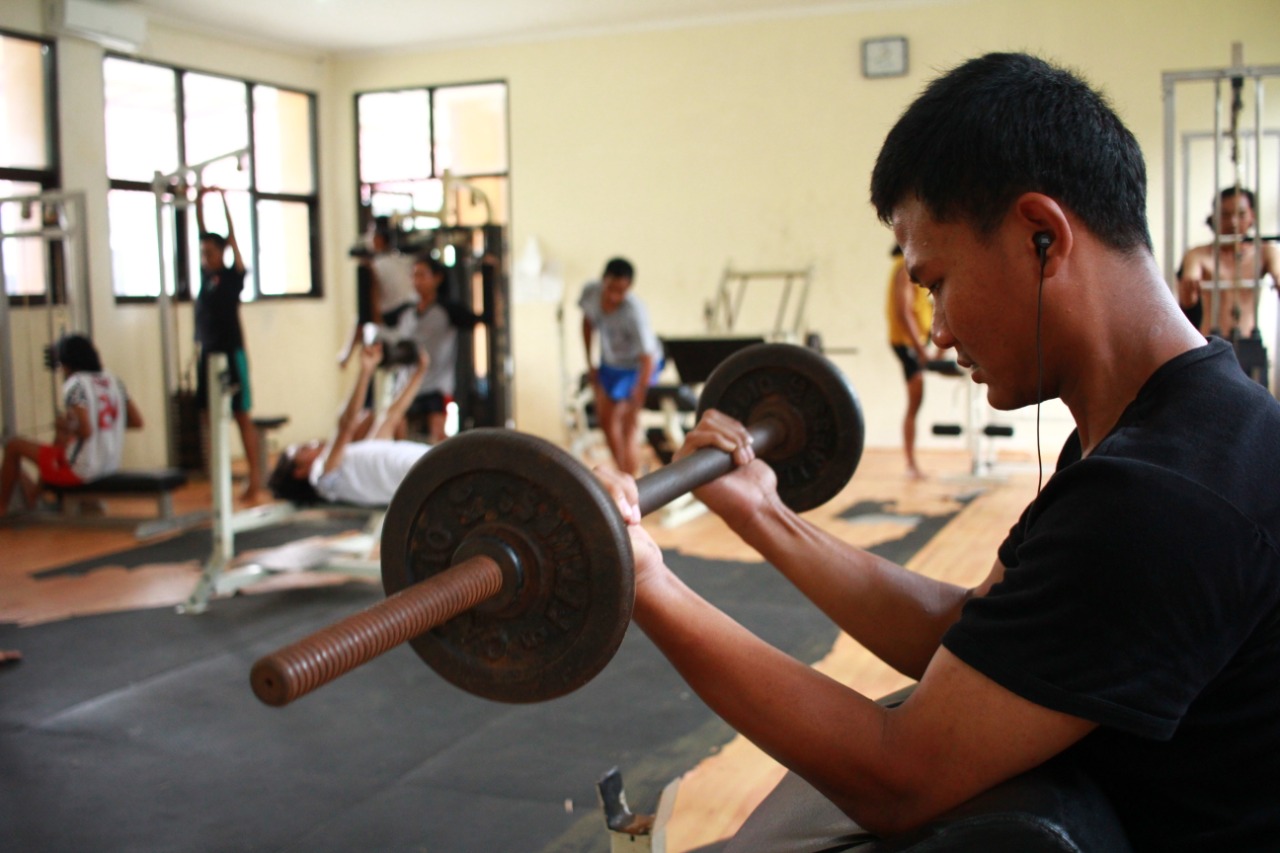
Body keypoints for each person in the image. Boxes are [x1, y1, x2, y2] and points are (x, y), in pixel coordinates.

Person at [595, 53, 1280, 851]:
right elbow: (963, 629)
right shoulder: (1183, 425)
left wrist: (644, 580)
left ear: (1041, 238)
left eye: (937, 282)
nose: (941, 330)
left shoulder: (1162, 495)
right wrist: (763, 513)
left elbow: (899, 775)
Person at [267, 340, 431, 507]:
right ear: (299, 472)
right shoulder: (322, 477)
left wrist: (420, 372)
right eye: (303, 449)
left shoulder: (359, 455)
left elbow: (391, 417)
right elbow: (346, 426)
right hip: (430, 477)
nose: (313, 443)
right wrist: (365, 372)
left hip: (434, 463)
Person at [0, 334, 144, 517]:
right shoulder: (114, 380)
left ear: (67, 362)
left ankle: (2, 509)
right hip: (110, 465)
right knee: (60, 440)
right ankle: (36, 495)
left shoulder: (75, 384)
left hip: (83, 470)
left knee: (13, 445)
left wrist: (67, 426)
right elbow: (137, 422)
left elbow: (86, 430)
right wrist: (102, 427)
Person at [195, 186, 263, 503]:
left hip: (231, 353)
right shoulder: (205, 278)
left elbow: (233, 238)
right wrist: (199, 199)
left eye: (210, 252)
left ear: (220, 252)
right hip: (208, 354)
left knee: (241, 415)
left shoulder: (232, 276)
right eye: (203, 252)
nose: (205, 257)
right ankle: (217, 478)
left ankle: (256, 478)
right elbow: (199, 229)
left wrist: (221, 201)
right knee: (209, 416)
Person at [579, 257, 664, 476]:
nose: (615, 296)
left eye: (621, 291)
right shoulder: (590, 293)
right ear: (603, 281)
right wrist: (591, 363)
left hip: (638, 367)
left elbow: (648, 357)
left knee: (627, 424)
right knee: (606, 421)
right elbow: (588, 324)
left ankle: (630, 479)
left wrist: (640, 390)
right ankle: (624, 473)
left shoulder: (634, 312)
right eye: (611, 289)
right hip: (611, 363)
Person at [390, 253, 483, 444]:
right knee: (398, 434)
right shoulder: (405, 312)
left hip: (436, 386)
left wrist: (487, 271)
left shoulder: (447, 310)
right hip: (406, 386)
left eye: (422, 275)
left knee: (437, 437)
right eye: (414, 275)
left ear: (437, 278)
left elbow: (483, 319)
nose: (417, 281)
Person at [1177, 186, 1280, 339]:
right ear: (1214, 218)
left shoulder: (1265, 251)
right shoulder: (1198, 254)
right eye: (1225, 215)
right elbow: (1187, 301)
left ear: (1252, 216)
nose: (1233, 222)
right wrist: (1188, 288)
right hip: (1210, 341)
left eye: (1241, 214)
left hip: (1250, 340)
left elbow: (1278, 273)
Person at [886, 244, 937, 479]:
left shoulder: (907, 268)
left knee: (916, 403)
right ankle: (911, 464)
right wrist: (920, 350)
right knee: (915, 404)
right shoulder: (905, 269)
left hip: (916, 344)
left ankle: (911, 463)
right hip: (908, 345)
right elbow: (903, 310)